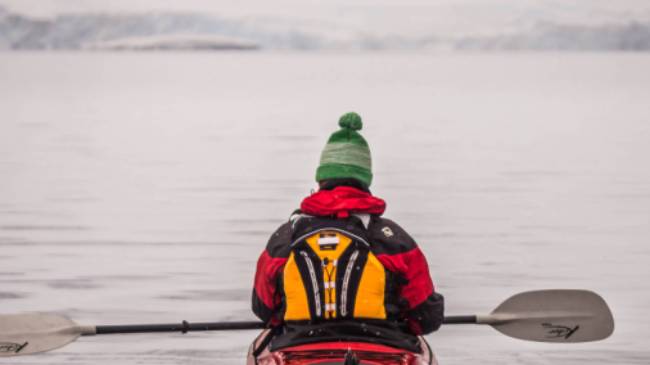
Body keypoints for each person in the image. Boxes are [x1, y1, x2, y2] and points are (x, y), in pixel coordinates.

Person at [250, 112, 444, 353]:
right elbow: (425, 318)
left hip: (299, 349)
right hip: (383, 350)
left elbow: (264, 310)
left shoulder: (285, 238)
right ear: (365, 181)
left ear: (321, 180)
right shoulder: (394, 240)